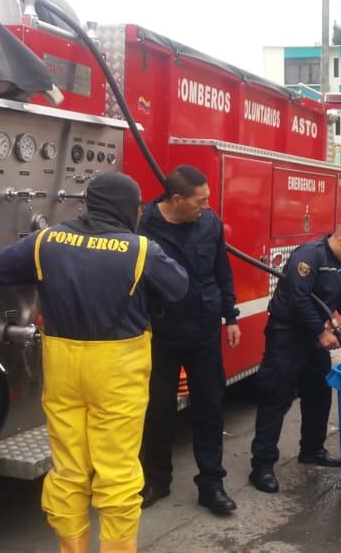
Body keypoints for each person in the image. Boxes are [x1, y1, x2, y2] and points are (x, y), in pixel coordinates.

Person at [0, 173, 189, 553]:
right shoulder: (140, 250)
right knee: (117, 473)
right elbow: (178, 287)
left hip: (63, 368)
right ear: (129, 207)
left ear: (89, 204)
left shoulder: (47, 241)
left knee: (68, 471)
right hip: (118, 373)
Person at [137, 166, 241, 515]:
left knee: (209, 408)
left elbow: (222, 270)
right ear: (177, 199)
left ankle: (211, 485)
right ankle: (157, 479)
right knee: (157, 410)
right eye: (200, 200)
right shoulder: (144, 227)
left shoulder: (209, 223)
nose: (207, 206)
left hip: (204, 333)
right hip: (161, 335)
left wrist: (230, 316)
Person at [249, 220, 341, 493]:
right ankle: (262, 466)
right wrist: (320, 332)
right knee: (276, 397)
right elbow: (299, 298)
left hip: (315, 339)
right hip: (287, 335)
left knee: (318, 394)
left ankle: (312, 449)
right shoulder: (309, 256)